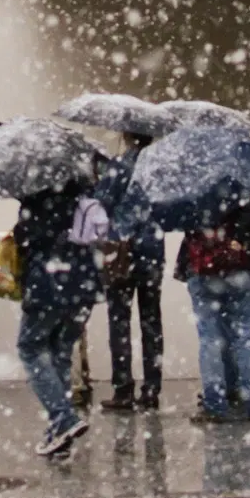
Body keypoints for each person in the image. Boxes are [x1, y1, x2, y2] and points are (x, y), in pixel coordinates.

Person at [14, 186, 100, 457]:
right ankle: (58, 433)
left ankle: (64, 418)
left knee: (30, 347)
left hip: (49, 284)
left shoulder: (37, 199)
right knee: (61, 352)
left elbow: (28, 239)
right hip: (84, 283)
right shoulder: (84, 192)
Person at [91, 136, 164, 412]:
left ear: (127, 135)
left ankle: (123, 388)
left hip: (121, 253)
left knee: (119, 321)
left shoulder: (119, 166)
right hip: (152, 253)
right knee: (151, 322)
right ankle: (151, 388)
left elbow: (101, 205)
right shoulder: (161, 167)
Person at [183, 215, 250, 424]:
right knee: (245, 337)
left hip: (205, 271)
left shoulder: (192, 193)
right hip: (237, 269)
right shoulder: (241, 188)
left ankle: (215, 405)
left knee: (209, 340)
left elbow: (187, 228)